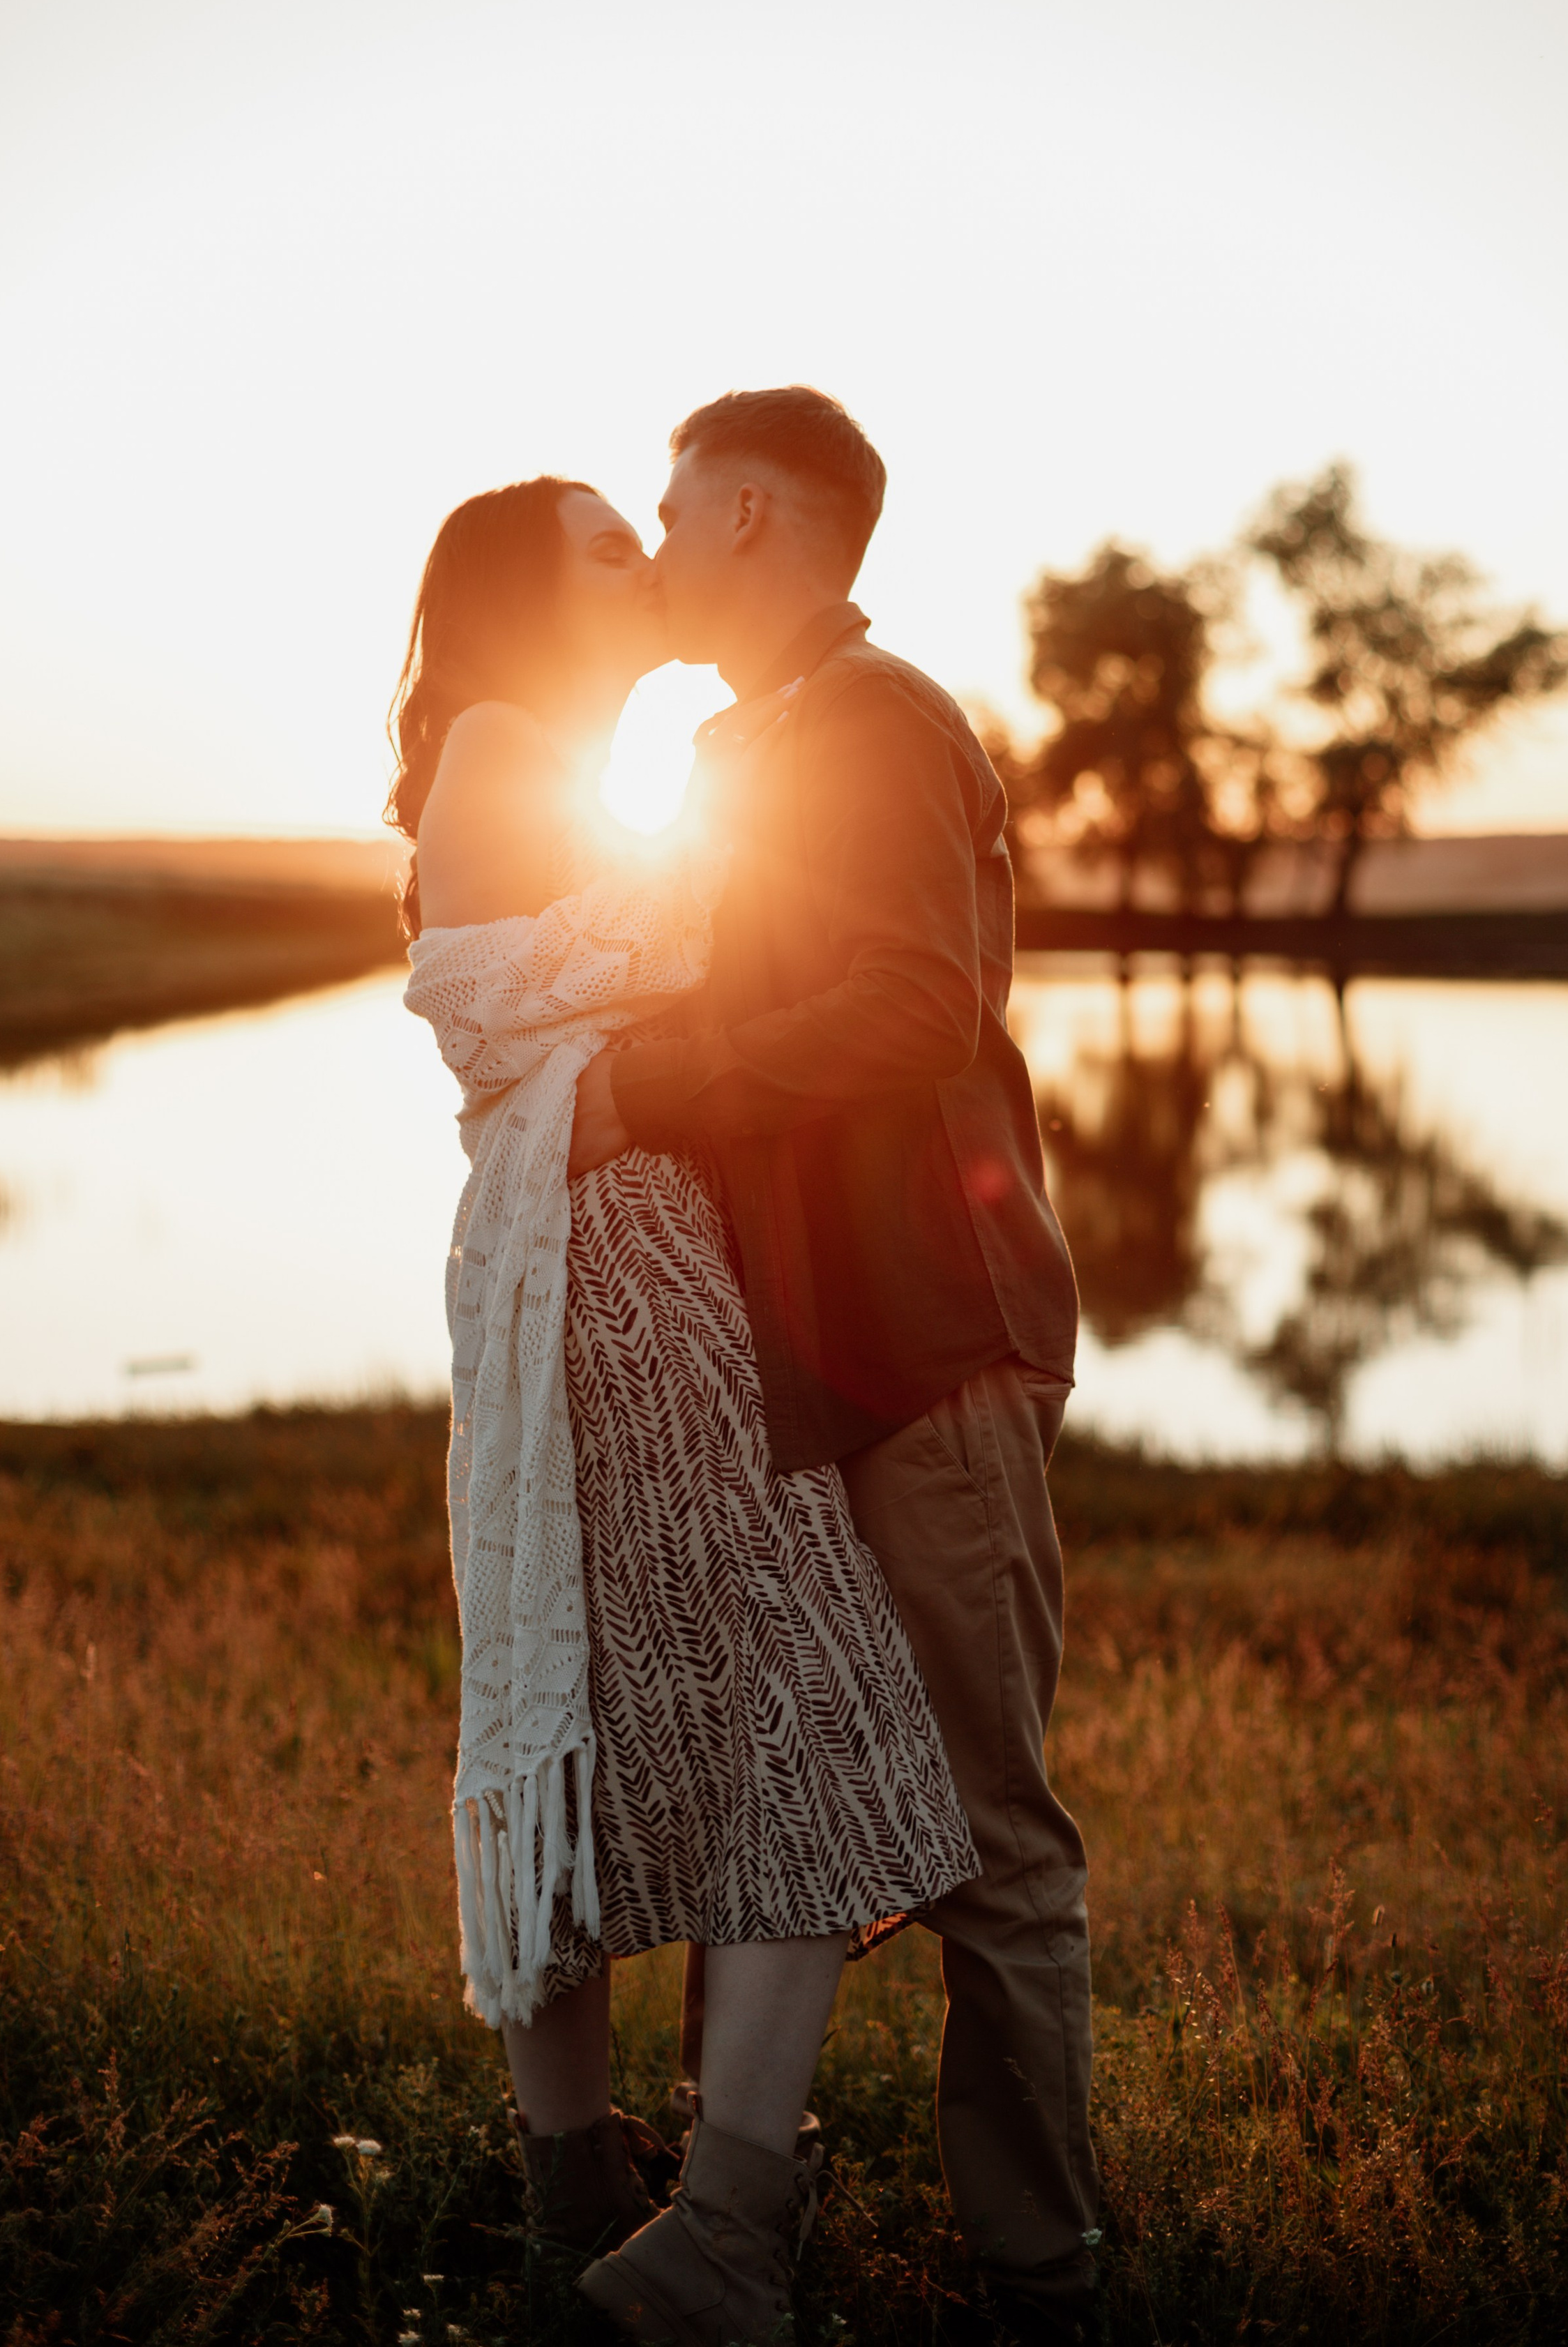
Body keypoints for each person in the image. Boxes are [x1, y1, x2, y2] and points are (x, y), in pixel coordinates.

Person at [389, 474, 978, 2346]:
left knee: (587, 1708)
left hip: (596, 1250)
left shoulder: (563, 762)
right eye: (608, 544)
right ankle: (722, 2229)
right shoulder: (509, 740)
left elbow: (600, 992)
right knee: (799, 1702)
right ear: (527, 596)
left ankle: (585, 2184)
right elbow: (566, 980)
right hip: (622, 1264)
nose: (648, 559)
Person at [569, 388, 1099, 2344]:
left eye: (675, 512)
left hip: (928, 1342)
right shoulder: (744, 744)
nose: (657, 546)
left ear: (756, 516)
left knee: (988, 1839)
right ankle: (734, 2230)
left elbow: (912, 1007)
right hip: (798, 1363)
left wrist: (656, 1086)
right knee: (771, 1790)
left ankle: (1044, 2276)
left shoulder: (872, 723)